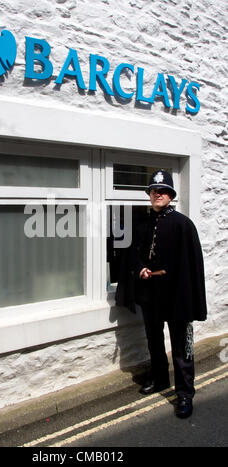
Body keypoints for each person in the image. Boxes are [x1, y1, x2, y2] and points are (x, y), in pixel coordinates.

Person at [116, 169, 207, 419]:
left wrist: (190, 302)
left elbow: (192, 266)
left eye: (163, 191)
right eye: (154, 191)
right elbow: (133, 254)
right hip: (150, 297)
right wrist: (141, 268)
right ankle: (159, 379)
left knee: (181, 348)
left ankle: (185, 393)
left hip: (177, 298)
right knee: (154, 342)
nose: (157, 194)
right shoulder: (143, 224)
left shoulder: (183, 225)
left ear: (170, 196)